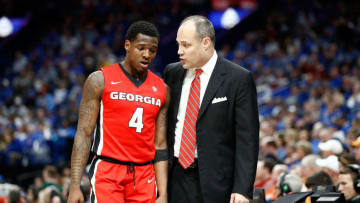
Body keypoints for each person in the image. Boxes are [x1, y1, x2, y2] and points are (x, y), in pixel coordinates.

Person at [67, 21, 170, 203]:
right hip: (108, 170)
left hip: (144, 174)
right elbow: (84, 133)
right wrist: (75, 185)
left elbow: (160, 145)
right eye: (141, 48)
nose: (147, 54)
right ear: (127, 45)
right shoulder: (99, 80)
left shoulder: (162, 89)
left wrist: (163, 193)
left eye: (152, 50)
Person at [164, 15, 259, 203]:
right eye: (178, 45)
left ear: (206, 43)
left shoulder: (238, 79)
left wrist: (242, 189)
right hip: (175, 178)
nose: (179, 51)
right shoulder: (172, 72)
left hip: (217, 183)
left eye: (186, 45)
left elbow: (247, 140)